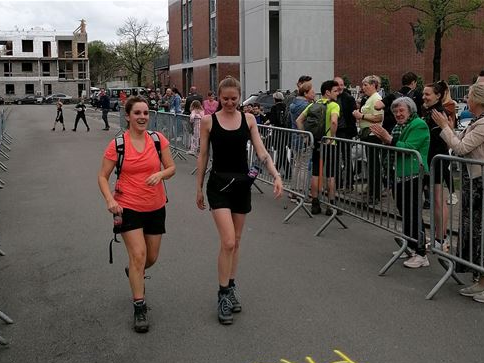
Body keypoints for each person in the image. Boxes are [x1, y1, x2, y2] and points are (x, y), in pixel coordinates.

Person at [196, 76, 283, 325]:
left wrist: (276, 175)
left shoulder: (249, 119)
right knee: (228, 240)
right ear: (218, 98)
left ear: (240, 97)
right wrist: (198, 188)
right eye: (225, 99)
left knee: (237, 241)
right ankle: (223, 294)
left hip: (241, 185)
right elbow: (203, 156)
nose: (230, 103)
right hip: (218, 185)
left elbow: (261, 150)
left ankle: (231, 286)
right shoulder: (208, 121)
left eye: (234, 99)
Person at [97, 96, 176, 332]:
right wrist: (110, 200)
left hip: (156, 206)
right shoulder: (118, 144)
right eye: (137, 113)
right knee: (139, 255)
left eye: (146, 113)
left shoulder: (157, 140)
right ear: (128, 116)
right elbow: (102, 176)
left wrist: (160, 175)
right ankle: (139, 307)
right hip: (128, 206)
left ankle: (134, 271)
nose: (142, 117)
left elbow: (171, 168)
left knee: (150, 258)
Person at [432, 82, 484, 303]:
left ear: (479, 100)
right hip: (474, 182)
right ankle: (483, 280)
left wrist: (445, 126)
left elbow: (461, 148)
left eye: (470, 95)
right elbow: (462, 143)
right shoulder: (478, 121)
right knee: (474, 230)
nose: (467, 97)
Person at [369, 97, 430, 269]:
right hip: (399, 173)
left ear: (411, 110)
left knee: (413, 213)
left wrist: (388, 138)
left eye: (401, 110)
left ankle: (421, 253)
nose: (398, 114)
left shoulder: (418, 124)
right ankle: (410, 245)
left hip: (413, 174)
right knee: (405, 210)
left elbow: (409, 147)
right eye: (395, 111)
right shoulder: (400, 126)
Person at [297, 79, 341, 216]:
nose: (337, 93)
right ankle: (331, 205)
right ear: (327, 92)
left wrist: (306, 137)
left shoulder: (313, 105)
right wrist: (332, 137)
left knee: (316, 172)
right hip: (329, 143)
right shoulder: (334, 105)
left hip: (316, 142)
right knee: (331, 175)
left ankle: (315, 204)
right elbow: (334, 121)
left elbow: (299, 120)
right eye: (335, 91)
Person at [422, 81, 452, 250]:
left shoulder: (439, 113)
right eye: (424, 94)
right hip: (431, 160)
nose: (424, 97)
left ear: (438, 96)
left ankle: (442, 239)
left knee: (439, 200)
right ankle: (437, 237)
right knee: (436, 200)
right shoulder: (430, 112)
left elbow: (443, 139)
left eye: (428, 94)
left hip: (437, 161)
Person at [352, 75, 384, 204]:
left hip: (373, 135)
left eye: (366, 85)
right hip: (368, 134)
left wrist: (361, 115)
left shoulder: (377, 98)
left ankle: (375, 194)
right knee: (371, 165)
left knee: (374, 165)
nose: (363, 87)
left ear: (373, 85)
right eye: (363, 85)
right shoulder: (370, 98)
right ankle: (372, 192)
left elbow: (378, 117)